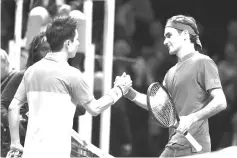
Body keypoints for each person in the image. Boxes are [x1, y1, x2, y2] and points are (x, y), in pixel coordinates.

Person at [8, 16, 132, 158]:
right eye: (77, 39)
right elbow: (95, 108)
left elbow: (13, 106)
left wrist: (15, 142)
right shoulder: (72, 75)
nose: (78, 43)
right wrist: (119, 90)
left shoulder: (31, 71)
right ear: (68, 43)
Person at [119, 15, 227, 157]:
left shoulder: (203, 62)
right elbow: (159, 107)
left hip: (194, 148)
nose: (165, 41)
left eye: (169, 36)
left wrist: (192, 118)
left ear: (185, 35)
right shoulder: (170, 72)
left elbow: (221, 102)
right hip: (173, 146)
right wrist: (129, 93)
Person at [1, 32, 50, 157]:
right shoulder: (22, 75)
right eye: (44, 49)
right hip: (22, 143)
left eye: (52, 49)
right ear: (35, 53)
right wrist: (16, 126)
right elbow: (1, 105)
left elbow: (81, 109)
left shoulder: (63, 78)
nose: (48, 53)